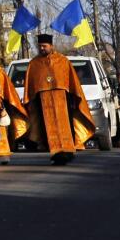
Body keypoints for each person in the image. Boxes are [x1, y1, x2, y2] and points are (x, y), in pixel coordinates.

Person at [23, 33, 94, 165]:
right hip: (43, 103)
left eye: (44, 46)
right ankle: (56, 154)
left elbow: (72, 83)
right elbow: (30, 87)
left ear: (51, 46)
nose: (42, 49)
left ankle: (68, 152)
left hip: (62, 100)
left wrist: (73, 99)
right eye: (40, 47)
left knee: (65, 126)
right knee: (47, 129)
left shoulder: (62, 61)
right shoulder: (34, 64)